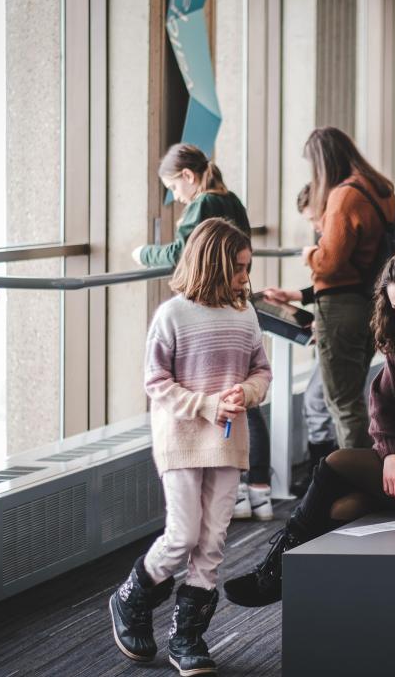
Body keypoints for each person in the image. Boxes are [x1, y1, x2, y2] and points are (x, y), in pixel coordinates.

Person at [223, 247, 395, 608]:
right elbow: (382, 404)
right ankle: (303, 584)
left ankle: (274, 575)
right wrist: (389, 454)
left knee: (335, 463)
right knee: (342, 508)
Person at [109, 219, 272, 675]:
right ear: (214, 265)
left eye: (248, 268)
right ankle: (131, 597)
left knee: (212, 542)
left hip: (227, 442)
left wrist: (248, 392)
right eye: (239, 269)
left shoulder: (245, 314)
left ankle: (188, 637)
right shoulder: (172, 315)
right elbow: (155, 382)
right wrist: (205, 405)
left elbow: (262, 371)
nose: (245, 278)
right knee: (182, 535)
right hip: (181, 439)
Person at [133, 143, 272, 520]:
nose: (176, 198)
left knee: (223, 396)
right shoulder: (233, 200)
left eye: (174, 189)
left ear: (188, 177)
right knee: (243, 399)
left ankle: (242, 491)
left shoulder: (202, 205)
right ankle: (258, 489)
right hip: (237, 307)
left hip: (214, 309)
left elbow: (179, 253)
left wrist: (143, 254)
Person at [300, 126, 395, 450]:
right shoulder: (381, 190)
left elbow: (330, 263)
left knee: (343, 405)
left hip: (341, 307)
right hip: (373, 301)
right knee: (354, 399)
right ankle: (363, 474)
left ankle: (354, 480)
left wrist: (310, 254)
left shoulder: (343, 195)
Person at [261, 184, 338, 496]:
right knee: (320, 401)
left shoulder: (335, 237)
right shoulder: (330, 237)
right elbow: (326, 286)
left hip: (338, 326)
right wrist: (294, 296)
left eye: (313, 219)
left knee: (317, 401)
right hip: (330, 321)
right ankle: (322, 477)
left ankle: (322, 479)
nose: (314, 227)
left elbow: (337, 285)